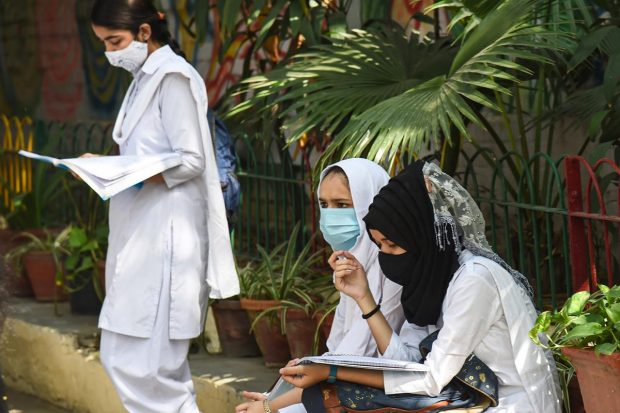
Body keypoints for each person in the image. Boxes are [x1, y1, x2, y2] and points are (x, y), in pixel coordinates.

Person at [272, 160, 561, 412]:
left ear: (422, 236)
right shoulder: (430, 280)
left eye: (393, 245)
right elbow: (408, 360)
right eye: (379, 246)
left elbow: (431, 378)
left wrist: (332, 371)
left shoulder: (475, 280)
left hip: (507, 403)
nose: (386, 257)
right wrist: (365, 299)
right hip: (463, 399)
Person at [89, 1, 238, 412]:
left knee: (152, 371)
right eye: (102, 43)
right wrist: (107, 168)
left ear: (143, 32)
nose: (109, 52)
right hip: (142, 237)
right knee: (122, 357)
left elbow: (190, 159)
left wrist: (118, 170)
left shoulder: (172, 77)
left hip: (167, 243)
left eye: (114, 41)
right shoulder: (144, 78)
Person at [236, 159, 404, 413]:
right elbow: (336, 354)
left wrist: (271, 405)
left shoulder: (393, 268)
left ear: (371, 204)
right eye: (324, 204)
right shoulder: (350, 263)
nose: (331, 214)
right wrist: (279, 392)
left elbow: (359, 364)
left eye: (343, 205)